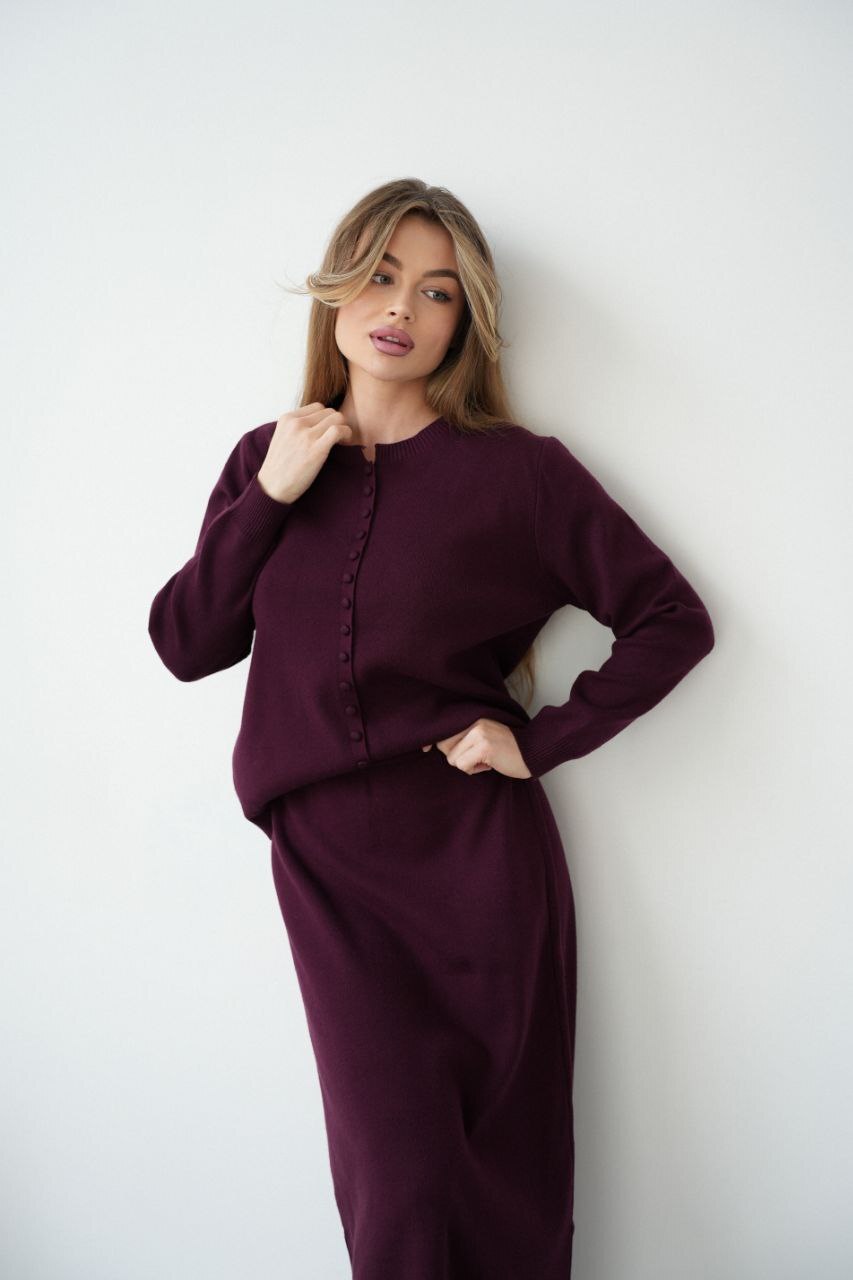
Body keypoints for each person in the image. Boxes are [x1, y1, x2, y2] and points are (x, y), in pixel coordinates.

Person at [148, 177, 715, 1279]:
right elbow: (186, 641)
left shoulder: (519, 474)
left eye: (437, 290)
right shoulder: (268, 459)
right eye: (379, 274)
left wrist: (536, 740)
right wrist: (270, 495)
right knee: (399, 1185)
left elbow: (670, 619)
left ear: (465, 321)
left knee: (504, 1177)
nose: (401, 306)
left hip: (475, 857)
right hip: (328, 868)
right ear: (336, 289)